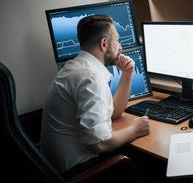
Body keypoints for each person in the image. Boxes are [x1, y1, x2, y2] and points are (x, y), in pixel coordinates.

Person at [40, 15, 150, 174]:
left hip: (57, 168)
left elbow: (114, 113)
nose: (120, 46)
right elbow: (98, 144)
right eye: (117, 41)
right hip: (80, 171)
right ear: (104, 44)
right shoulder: (90, 78)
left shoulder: (76, 67)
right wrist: (135, 130)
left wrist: (127, 74)